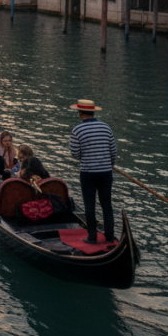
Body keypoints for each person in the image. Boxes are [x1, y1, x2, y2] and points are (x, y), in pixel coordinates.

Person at [69, 98, 117, 244]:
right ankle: (109, 236)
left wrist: (88, 155)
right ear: (93, 111)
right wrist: (108, 164)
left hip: (88, 173)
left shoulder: (77, 130)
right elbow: (113, 151)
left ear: (79, 113)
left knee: (89, 205)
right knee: (106, 204)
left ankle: (92, 237)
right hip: (105, 172)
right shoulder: (106, 127)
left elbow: (75, 154)